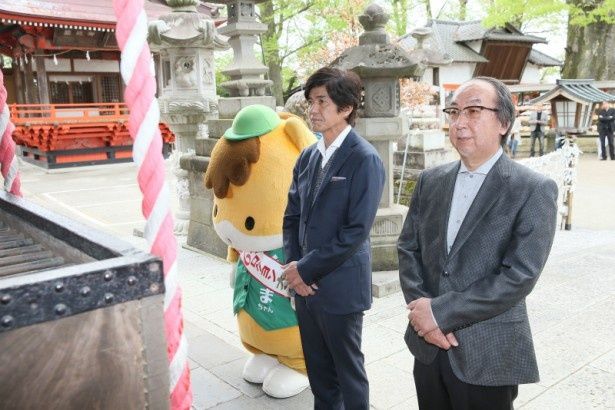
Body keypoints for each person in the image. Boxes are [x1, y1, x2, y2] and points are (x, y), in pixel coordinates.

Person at [398, 77, 558, 410]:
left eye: (473, 111)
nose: (459, 122)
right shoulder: (431, 181)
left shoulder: (532, 189)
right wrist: (422, 314)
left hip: (487, 348)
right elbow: (408, 249)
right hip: (427, 348)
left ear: (503, 122)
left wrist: (440, 313)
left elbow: (519, 276)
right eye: (453, 112)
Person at [282, 67, 385, 409]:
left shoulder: (364, 158)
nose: (312, 109)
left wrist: (306, 270)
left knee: (348, 373)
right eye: (311, 101)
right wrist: (295, 268)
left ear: (346, 108)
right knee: (319, 373)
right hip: (305, 286)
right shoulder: (308, 156)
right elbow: (292, 215)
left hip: (340, 285)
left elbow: (355, 231)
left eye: (322, 101)